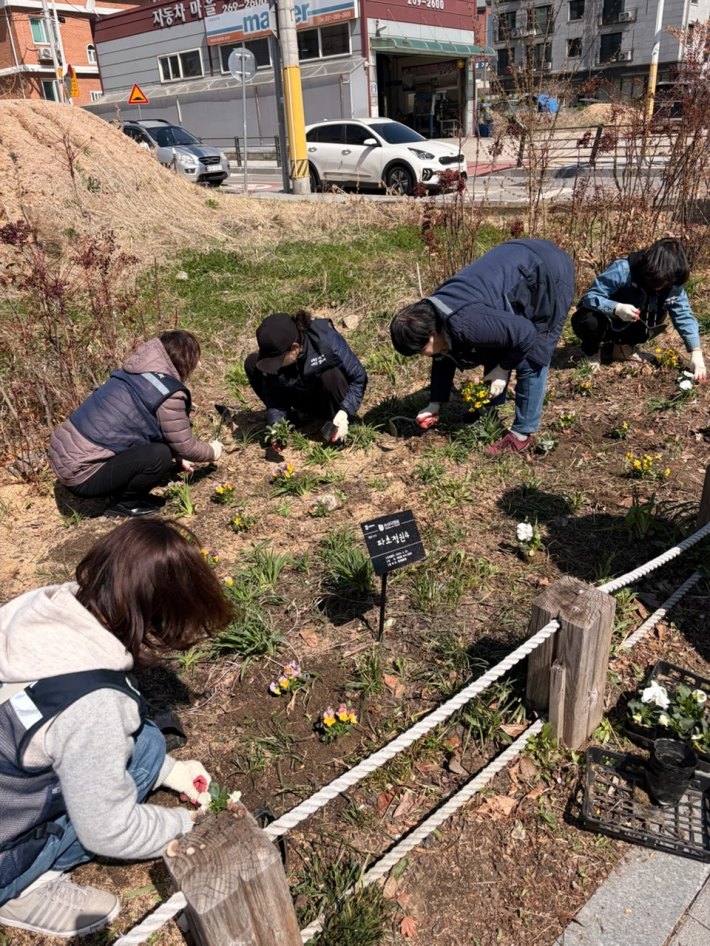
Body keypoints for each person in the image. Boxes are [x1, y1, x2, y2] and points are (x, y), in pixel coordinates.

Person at [0, 519, 233, 939]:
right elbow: (110, 829)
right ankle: (22, 887)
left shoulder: (46, 606)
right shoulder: (95, 704)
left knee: (144, 744)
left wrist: (168, 770)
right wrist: (184, 826)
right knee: (110, 796)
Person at [390, 238, 575, 454]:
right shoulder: (432, 313)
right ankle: (487, 409)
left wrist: (503, 369)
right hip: (516, 261)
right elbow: (443, 359)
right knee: (495, 336)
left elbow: (526, 333)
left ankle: (522, 433)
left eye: (421, 351)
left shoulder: (465, 323)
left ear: (432, 335)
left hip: (547, 270)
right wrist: (435, 404)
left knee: (534, 354)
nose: (423, 356)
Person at [49, 331, 223, 518]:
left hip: (64, 455)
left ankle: (119, 486)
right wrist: (213, 451)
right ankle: (126, 503)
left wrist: (179, 455)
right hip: (81, 474)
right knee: (159, 456)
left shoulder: (133, 373)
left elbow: (149, 426)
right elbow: (186, 446)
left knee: (161, 449)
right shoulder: (168, 393)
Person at [572, 238, 707, 379]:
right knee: (590, 321)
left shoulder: (674, 280)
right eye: (661, 280)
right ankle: (592, 351)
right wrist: (616, 308)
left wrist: (695, 351)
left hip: (633, 323)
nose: (662, 286)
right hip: (605, 321)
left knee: (657, 317)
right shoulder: (624, 269)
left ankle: (623, 348)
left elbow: (683, 314)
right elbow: (590, 297)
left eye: (667, 281)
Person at [244, 310, 367, 446]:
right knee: (252, 363)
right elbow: (273, 395)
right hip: (299, 396)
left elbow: (359, 377)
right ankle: (291, 423)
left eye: (278, 360)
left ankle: (336, 430)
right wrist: (277, 425)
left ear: (295, 348)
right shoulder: (277, 350)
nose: (275, 365)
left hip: (328, 398)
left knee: (331, 375)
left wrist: (344, 412)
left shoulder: (328, 340)